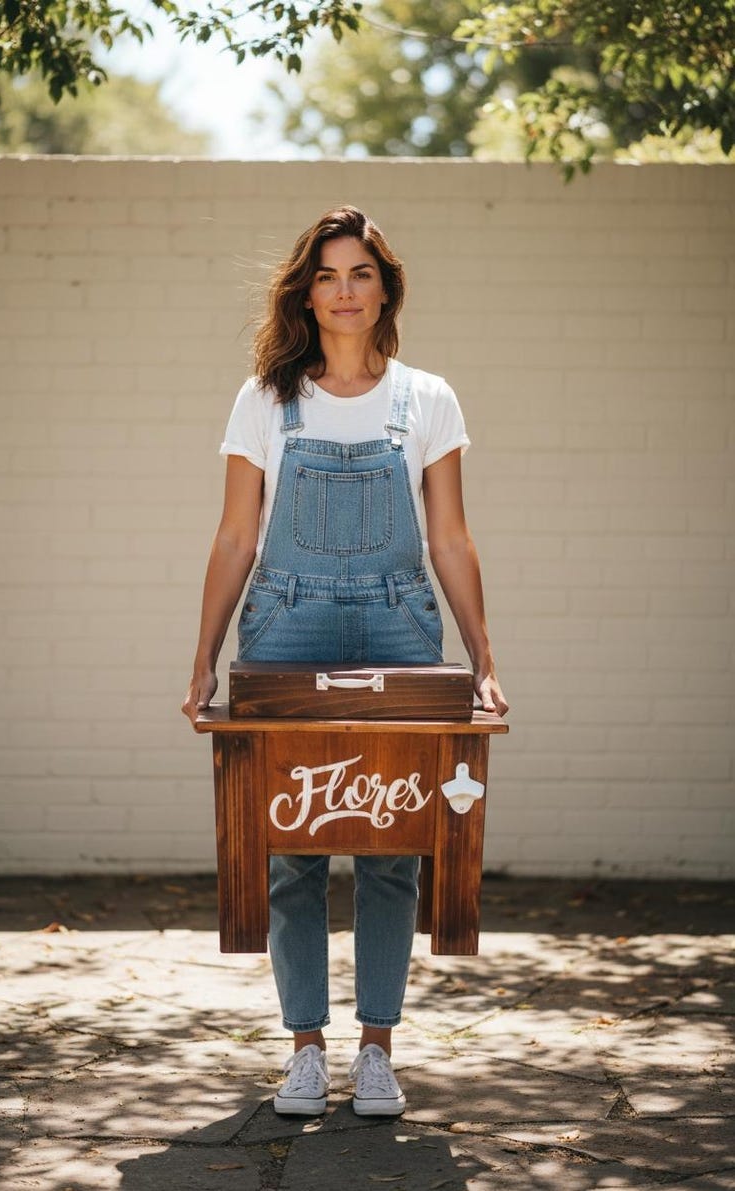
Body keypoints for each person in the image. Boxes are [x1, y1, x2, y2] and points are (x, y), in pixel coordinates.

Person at [182, 205, 508, 1118]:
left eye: (360, 272)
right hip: (286, 628)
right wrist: (203, 655)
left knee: (393, 847)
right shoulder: (266, 399)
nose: (344, 290)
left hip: (401, 626)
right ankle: (304, 1049)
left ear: (385, 287)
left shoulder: (429, 398)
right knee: (290, 845)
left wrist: (483, 656)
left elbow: (449, 537)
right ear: (306, 293)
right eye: (327, 275)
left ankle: (376, 1049)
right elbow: (237, 533)